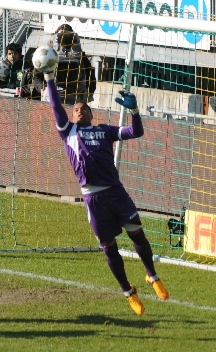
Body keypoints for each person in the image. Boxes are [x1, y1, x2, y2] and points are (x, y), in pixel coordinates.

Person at [37, 53, 169, 315]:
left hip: (115, 192)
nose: (79, 109)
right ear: (72, 117)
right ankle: (127, 291)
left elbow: (136, 132)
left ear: (91, 113)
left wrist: (133, 111)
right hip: (92, 198)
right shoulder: (68, 133)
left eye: (84, 107)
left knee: (137, 231)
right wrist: (49, 77)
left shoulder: (106, 130)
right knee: (109, 247)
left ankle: (151, 275)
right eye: (75, 109)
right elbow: (55, 107)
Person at [49, 24, 97, 104]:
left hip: (76, 95)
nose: (63, 38)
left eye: (66, 35)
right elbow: (37, 75)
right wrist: (41, 88)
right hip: (54, 92)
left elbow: (90, 74)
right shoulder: (48, 55)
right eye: (60, 35)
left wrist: (89, 92)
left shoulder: (81, 57)